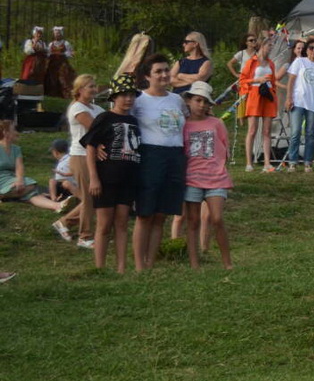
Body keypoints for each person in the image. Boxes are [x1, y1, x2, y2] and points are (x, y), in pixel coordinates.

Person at [81, 74, 142, 274]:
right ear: (114, 97)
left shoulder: (134, 120)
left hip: (128, 178)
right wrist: (94, 178)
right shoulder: (105, 118)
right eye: (123, 95)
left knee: (122, 222)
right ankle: (99, 267)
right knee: (104, 224)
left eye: (131, 95)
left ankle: (121, 267)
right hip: (106, 177)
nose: (128, 99)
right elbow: (90, 145)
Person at [131, 53, 187, 271]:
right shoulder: (138, 100)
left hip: (175, 155)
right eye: (158, 71)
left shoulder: (177, 100)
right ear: (147, 76)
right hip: (150, 156)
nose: (164, 75)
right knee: (145, 214)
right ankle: (139, 266)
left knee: (161, 214)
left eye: (166, 70)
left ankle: (151, 263)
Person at [182, 81, 233, 269]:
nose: (201, 105)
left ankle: (227, 262)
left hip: (216, 177)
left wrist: (219, 166)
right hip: (192, 177)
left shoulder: (217, 123)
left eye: (205, 102)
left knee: (217, 218)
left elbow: (225, 148)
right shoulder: (183, 124)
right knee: (193, 220)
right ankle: (194, 263)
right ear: (189, 101)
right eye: (198, 100)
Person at [0, 119, 76, 220]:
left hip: (11, 179)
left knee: (30, 192)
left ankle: (57, 206)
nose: (16, 132)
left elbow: (19, 167)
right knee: (30, 186)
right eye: (13, 130)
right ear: (5, 132)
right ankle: (4, 194)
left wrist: (19, 179)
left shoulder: (16, 149)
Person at [66, 74, 103, 249]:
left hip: (95, 156)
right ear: (80, 89)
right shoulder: (77, 108)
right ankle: (85, 236)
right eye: (91, 86)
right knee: (89, 197)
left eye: (95, 86)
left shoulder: (97, 108)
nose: (95, 89)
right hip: (80, 155)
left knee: (95, 197)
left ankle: (65, 222)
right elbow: (95, 127)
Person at [281, 37, 314, 172]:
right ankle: (293, 162)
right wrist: (289, 98)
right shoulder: (299, 61)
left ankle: (308, 162)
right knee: (295, 132)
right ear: (306, 50)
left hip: (313, 103)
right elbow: (291, 81)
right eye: (311, 48)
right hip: (298, 101)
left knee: (310, 134)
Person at [238, 35, 279, 172]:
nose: (271, 48)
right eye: (269, 46)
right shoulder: (251, 62)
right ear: (262, 46)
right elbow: (242, 80)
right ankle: (249, 162)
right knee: (252, 130)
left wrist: (273, 92)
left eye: (272, 46)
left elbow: (273, 81)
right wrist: (257, 80)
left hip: (268, 95)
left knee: (267, 131)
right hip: (255, 95)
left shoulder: (271, 63)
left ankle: (267, 162)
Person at [44, 26, 77, 98]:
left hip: (62, 63)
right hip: (53, 64)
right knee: (52, 78)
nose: (57, 35)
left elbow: (70, 52)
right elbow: (48, 53)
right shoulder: (51, 44)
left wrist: (64, 54)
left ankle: (66, 94)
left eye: (58, 33)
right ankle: (52, 93)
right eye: (55, 34)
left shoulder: (66, 43)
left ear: (61, 34)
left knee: (64, 77)